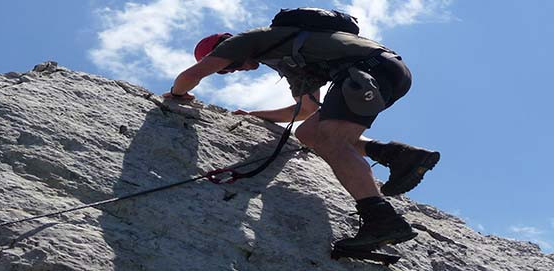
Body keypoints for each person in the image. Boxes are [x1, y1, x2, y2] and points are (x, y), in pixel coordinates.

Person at [163, 24, 440, 251]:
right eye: (225, 72)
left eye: (225, 67)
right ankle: (401, 156)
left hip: (368, 70)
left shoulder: (247, 41)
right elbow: (306, 109)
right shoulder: (291, 56)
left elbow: (193, 74)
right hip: (385, 71)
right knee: (309, 132)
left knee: (332, 141)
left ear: (222, 47)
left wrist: (177, 95)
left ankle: (381, 219)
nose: (231, 71)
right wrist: (254, 114)